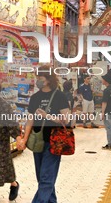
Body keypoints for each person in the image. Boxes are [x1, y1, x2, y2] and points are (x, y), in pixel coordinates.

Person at [20, 67, 70, 203]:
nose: (37, 81)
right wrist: (24, 139)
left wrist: (47, 116)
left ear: (48, 80)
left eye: (40, 78)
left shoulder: (59, 96)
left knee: (46, 178)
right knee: (42, 178)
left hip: (54, 141)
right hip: (38, 140)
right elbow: (30, 120)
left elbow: (66, 119)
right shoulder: (35, 97)